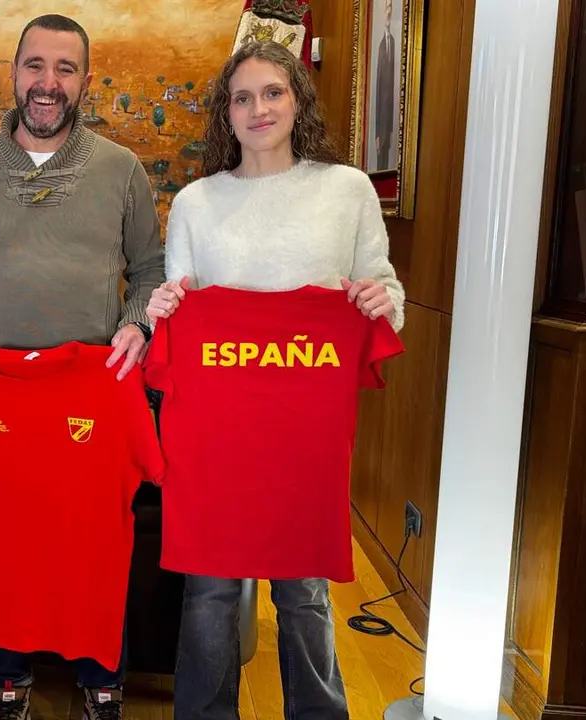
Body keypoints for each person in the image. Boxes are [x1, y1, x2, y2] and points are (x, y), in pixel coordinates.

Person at [0, 14, 164, 720]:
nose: (49, 83)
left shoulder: (121, 170)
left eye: (65, 69)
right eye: (36, 66)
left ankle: (101, 681)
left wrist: (136, 325)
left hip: (89, 395)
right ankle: (8, 683)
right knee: (2, 548)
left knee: (95, 547)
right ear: (13, 75)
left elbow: (150, 272)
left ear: (85, 80)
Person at [145, 41, 406, 720]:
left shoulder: (345, 189)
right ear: (224, 114)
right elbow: (180, 297)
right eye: (242, 97)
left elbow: (380, 285)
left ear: (298, 100)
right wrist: (165, 309)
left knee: (304, 589)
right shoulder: (198, 202)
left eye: (272, 93)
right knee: (209, 589)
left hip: (302, 429)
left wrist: (383, 303)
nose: (258, 109)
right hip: (217, 430)